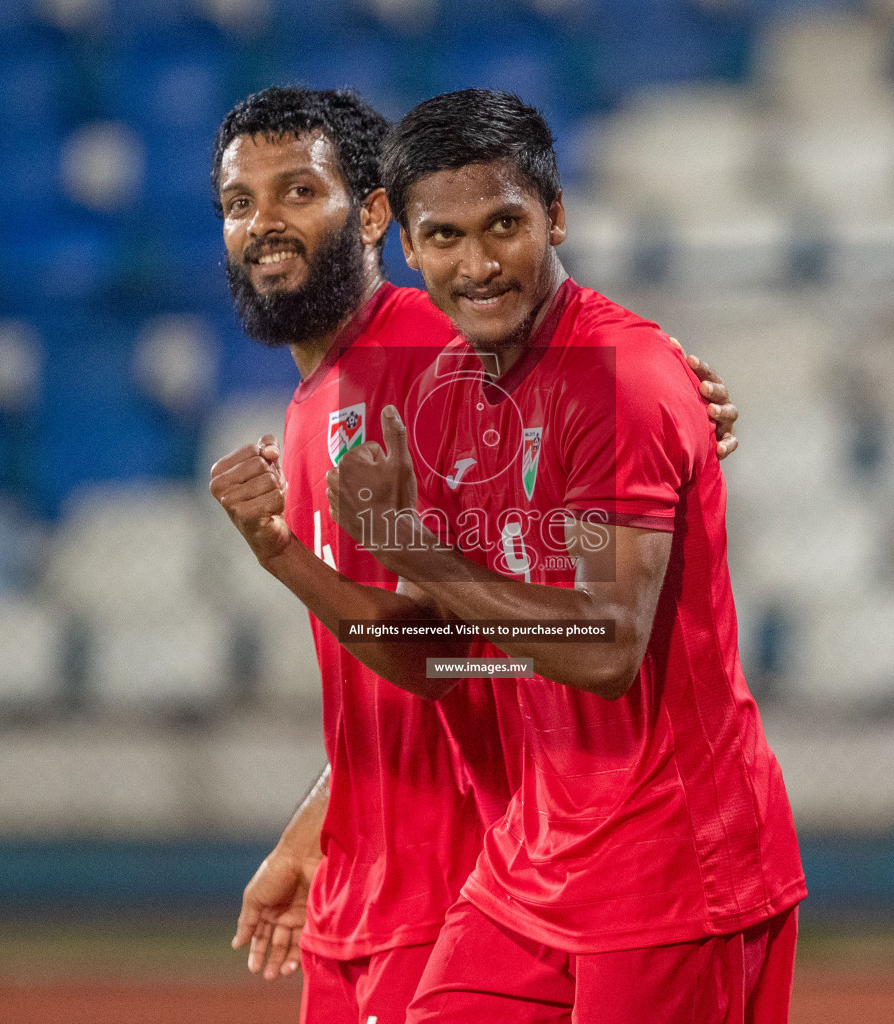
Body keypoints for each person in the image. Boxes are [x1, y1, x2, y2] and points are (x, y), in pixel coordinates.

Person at [206, 87, 743, 1024]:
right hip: (377, 885)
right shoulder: (316, 400)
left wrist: (679, 394)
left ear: (374, 215)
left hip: (470, 874)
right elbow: (417, 649)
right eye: (240, 204)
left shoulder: (429, 347)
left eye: (298, 192)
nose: (265, 226)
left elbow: (587, 380)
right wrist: (317, 825)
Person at [327, 89, 805, 1024]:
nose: (480, 263)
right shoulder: (453, 393)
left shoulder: (617, 385)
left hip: (673, 867)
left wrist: (403, 544)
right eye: (446, 236)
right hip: (535, 863)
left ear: (556, 215)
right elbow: (448, 651)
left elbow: (602, 647)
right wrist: (288, 557)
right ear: (407, 247)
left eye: (505, 224)